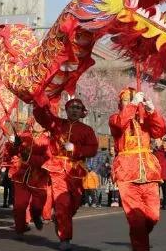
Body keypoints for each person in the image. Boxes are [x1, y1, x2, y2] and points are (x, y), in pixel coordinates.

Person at [34, 99, 98, 251]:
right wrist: (38, 101)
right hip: (58, 169)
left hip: (76, 171)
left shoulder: (87, 130)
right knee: (62, 204)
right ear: (66, 110)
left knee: (73, 205)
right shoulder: (57, 124)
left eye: (77, 108)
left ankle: (60, 218)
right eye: (71, 107)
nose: (74, 110)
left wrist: (75, 148)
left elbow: (93, 149)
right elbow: (42, 117)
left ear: (82, 112)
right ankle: (65, 238)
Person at [109, 88, 166, 251]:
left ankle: (138, 234)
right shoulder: (115, 118)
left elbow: (160, 131)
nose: (131, 101)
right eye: (127, 99)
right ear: (121, 103)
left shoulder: (145, 119)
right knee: (136, 220)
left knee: (153, 216)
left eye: (133, 99)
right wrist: (133, 105)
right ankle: (140, 245)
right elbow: (120, 124)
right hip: (127, 173)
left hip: (148, 171)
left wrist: (152, 110)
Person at [8, 121, 51, 236]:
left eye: (41, 122)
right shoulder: (23, 136)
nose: (38, 124)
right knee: (19, 205)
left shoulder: (47, 141)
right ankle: (20, 228)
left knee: (38, 203)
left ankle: (36, 215)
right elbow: (11, 153)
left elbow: (47, 159)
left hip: (38, 176)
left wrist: (31, 158)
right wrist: (13, 145)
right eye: (36, 121)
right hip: (20, 174)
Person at [154, 138, 166, 209]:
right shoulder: (157, 151)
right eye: (156, 141)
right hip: (158, 174)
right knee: (156, 191)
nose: (156, 142)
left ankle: (165, 204)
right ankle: (156, 204)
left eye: (158, 141)